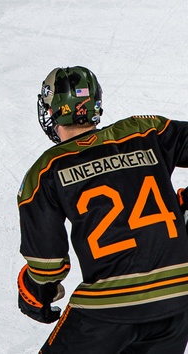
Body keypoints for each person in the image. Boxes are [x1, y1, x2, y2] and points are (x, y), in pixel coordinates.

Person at [17, 66, 188, 353]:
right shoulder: (144, 131)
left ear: (54, 111)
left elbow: (47, 264)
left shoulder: (46, 170)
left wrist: (35, 291)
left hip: (108, 308)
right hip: (177, 298)